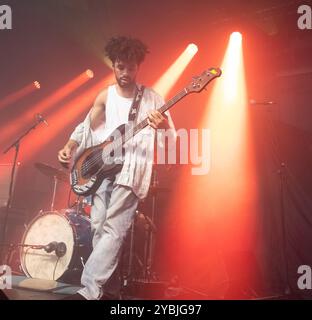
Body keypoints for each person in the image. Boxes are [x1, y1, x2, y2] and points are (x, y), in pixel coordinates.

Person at [58, 36, 176, 300]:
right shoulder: (106, 95)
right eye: (120, 67)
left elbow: (172, 143)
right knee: (99, 228)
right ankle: (109, 292)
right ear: (113, 65)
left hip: (132, 170)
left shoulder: (153, 99)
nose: (125, 73)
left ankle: (88, 290)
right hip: (102, 170)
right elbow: (86, 126)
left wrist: (165, 127)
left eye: (130, 68)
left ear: (138, 67)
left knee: (113, 229)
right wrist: (69, 146)